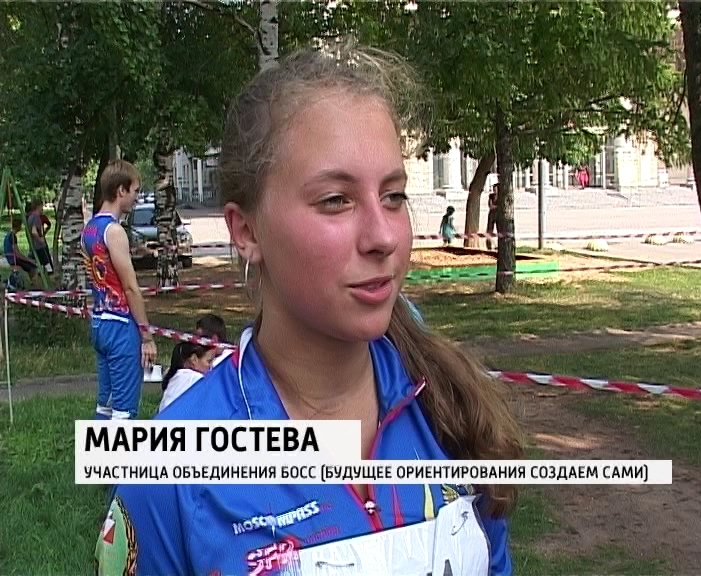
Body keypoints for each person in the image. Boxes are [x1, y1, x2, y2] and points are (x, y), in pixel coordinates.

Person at [95, 41, 523, 575]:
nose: (383, 236)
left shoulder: (452, 414)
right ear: (246, 231)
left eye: (393, 196)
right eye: (336, 200)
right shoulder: (169, 476)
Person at [81, 159, 157, 420]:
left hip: (99, 322)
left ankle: (98, 447)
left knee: (105, 405)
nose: (137, 197)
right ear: (121, 190)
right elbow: (130, 288)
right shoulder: (114, 231)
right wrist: (146, 335)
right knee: (124, 412)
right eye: (135, 191)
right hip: (121, 325)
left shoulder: (90, 229)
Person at [157, 341, 215, 412]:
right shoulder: (195, 378)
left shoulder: (179, 376)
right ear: (194, 359)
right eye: (209, 361)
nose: (211, 367)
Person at [3, 218, 38, 285]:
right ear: (18, 226)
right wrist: (29, 260)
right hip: (14, 259)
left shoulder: (8, 235)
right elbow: (17, 254)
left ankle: (31, 283)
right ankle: (34, 284)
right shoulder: (12, 236)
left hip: (10, 258)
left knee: (29, 264)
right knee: (33, 267)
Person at [26, 198, 53, 273]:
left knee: (37, 264)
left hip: (34, 245)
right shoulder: (35, 217)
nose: (42, 209)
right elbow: (34, 231)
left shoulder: (30, 217)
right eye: (42, 206)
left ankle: (37, 275)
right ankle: (49, 277)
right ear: (38, 206)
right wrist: (40, 240)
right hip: (38, 246)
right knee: (47, 265)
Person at [486, 186, 498, 251]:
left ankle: (497, 245)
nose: (495, 190)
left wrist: (495, 207)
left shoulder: (500, 196)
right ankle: (489, 245)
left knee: (500, 230)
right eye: (494, 189)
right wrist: (497, 206)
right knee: (489, 230)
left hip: (498, 214)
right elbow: (490, 206)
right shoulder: (491, 196)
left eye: (496, 189)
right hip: (491, 214)